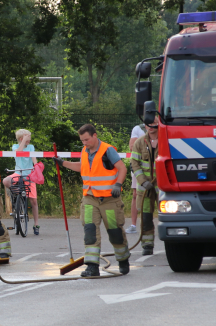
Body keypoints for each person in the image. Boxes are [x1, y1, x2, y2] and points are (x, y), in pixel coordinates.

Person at [54, 124, 130, 277]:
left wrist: (118, 184)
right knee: (90, 232)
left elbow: (122, 168)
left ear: (95, 136)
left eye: (86, 139)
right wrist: (63, 163)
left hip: (109, 200)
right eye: (82, 140)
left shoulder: (108, 150)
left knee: (115, 232)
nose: (84, 143)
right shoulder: (84, 151)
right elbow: (82, 167)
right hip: (89, 198)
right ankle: (92, 266)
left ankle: (122, 259)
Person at [130, 115, 159, 256]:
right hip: (145, 188)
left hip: (163, 188)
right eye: (149, 124)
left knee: (169, 215)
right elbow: (134, 163)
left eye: (154, 123)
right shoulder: (140, 142)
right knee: (146, 217)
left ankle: (174, 243)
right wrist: (142, 180)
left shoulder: (167, 140)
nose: (151, 126)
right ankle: (147, 244)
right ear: (145, 126)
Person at [2, 129, 40, 235]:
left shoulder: (31, 147)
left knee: (34, 201)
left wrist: (36, 167)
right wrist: (23, 141)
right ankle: (17, 193)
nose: (30, 139)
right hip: (18, 173)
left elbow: (34, 159)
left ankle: (36, 224)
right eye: (28, 137)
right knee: (6, 181)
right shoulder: (15, 146)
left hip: (29, 175)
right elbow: (18, 152)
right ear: (21, 138)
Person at [127, 123, 146, 233]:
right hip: (138, 166)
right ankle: (133, 225)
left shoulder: (160, 126)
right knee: (135, 195)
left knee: (160, 195)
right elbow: (132, 146)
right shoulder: (138, 128)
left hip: (156, 168)